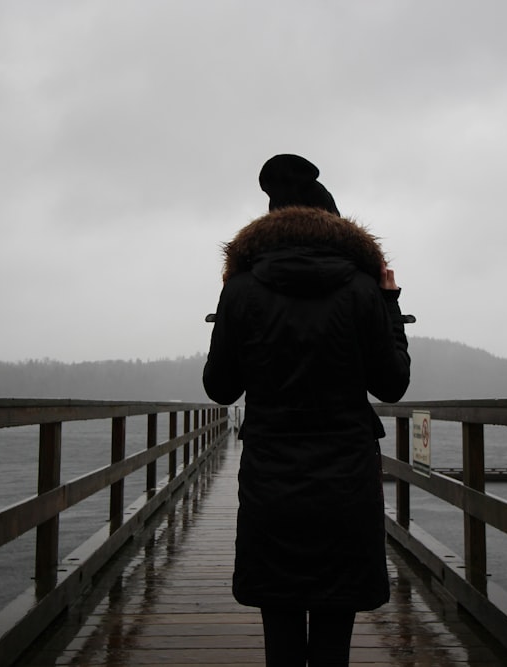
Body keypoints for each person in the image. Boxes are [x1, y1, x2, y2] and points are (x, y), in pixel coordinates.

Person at [203, 154, 411, 666]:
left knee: (281, 630)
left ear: (269, 227)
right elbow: (391, 386)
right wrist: (389, 304)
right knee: (335, 632)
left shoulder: (243, 290)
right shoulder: (362, 290)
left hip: (272, 479)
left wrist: (227, 309)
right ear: (335, 228)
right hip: (346, 480)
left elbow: (220, 389)